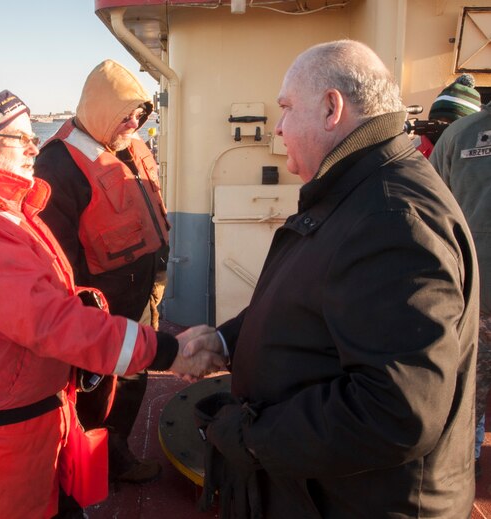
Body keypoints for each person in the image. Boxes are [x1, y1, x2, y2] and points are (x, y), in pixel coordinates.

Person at [185, 40, 479, 518]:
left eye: (285, 109)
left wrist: (249, 438)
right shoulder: (359, 192)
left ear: (330, 108)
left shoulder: (392, 218)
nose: (278, 127)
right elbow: (314, 305)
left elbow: (395, 411)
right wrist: (226, 340)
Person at [0, 90, 224, 519]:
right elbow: (47, 320)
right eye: (19, 138)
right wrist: (169, 352)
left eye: (32, 135)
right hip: (2, 437)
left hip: (41, 414)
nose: (35, 145)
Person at [34, 59, 170, 486]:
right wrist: (79, 312)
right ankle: (94, 459)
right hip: (99, 305)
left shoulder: (128, 147)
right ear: (98, 110)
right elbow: (56, 251)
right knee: (97, 387)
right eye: (124, 114)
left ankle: (116, 447)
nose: (133, 122)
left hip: (142, 294)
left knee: (135, 374)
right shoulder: (58, 164)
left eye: (139, 114)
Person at [430, 101, 491, 479]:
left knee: (467, 394)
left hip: (470, 298)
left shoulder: (458, 135)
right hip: (473, 301)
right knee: (466, 393)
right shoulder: (459, 135)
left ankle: (463, 462)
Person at [412, 73, 481, 158]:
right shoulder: (413, 151)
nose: (442, 128)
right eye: (436, 122)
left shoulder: (476, 156)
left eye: (450, 123)